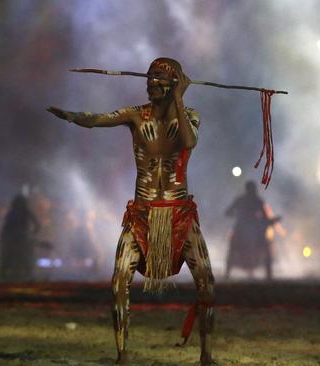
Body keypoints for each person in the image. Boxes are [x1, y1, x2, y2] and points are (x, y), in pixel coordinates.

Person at [47, 58, 216, 365]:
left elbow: (189, 142)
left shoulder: (189, 115)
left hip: (179, 213)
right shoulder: (136, 115)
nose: (150, 84)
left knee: (207, 282)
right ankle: (122, 355)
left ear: (173, 83)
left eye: (158, 80)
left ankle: (206, 355)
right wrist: (72, 117)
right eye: (149, 79)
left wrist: (179, 97)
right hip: (142, 214)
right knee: (119, 280)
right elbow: (97, 119)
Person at [225, 181, 281, 280]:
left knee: (234, 247)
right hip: (245, 228)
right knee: (233, 247)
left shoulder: (248, 200)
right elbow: (228, 212)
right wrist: (272, 221)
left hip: (250, 228)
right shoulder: (256, 200)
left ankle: (227, 272)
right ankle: (268, 274)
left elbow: (228, 212)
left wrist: (271, 221)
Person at [0, 193, 40, 280]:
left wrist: (32, 233)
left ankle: (7, 272)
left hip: (18, 238)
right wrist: (32, 233)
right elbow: (37, 225)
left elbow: (6, 227)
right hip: (19, 238)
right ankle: (20, 272)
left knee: (15, 256)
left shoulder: (15, 212)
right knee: (21, 256)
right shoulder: (20, 212)